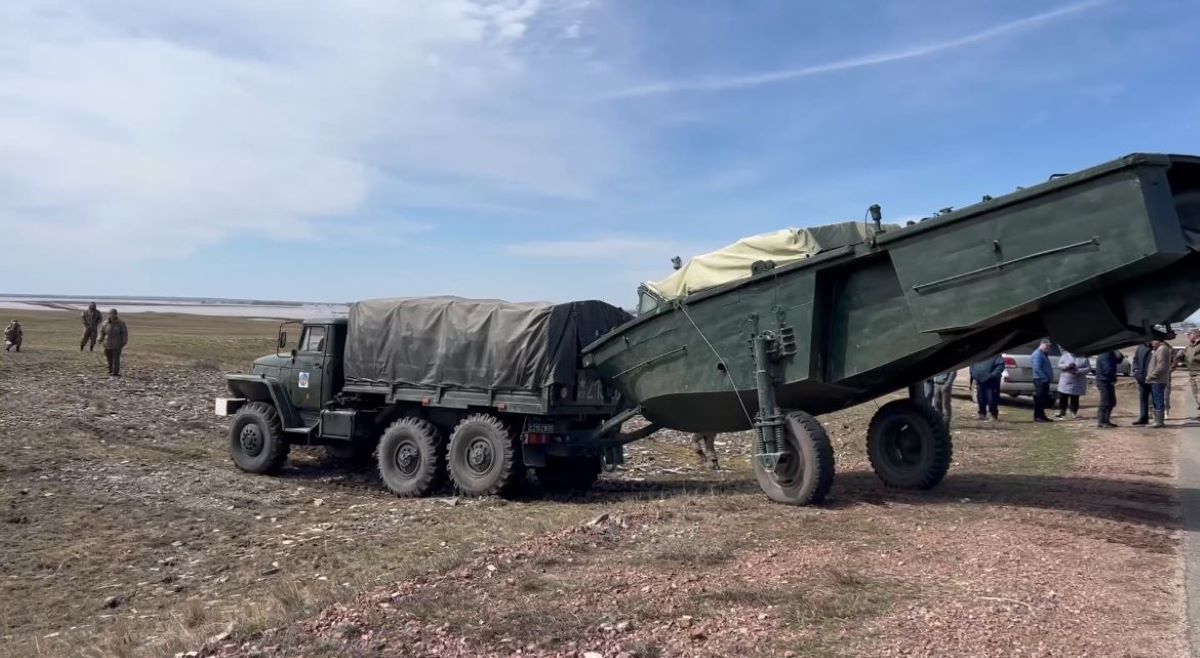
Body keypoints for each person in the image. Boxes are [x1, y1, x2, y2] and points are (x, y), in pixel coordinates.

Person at [1055, 350, 1090, 419]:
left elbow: (1088, 368)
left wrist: (1078, 371)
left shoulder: (1083, 358)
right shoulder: (1065, 356)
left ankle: (1073, 413)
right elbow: (1059, 365)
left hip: (1077, 380)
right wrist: (1067, 366)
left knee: (1075, 398)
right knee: (1063, 397)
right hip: (1065, 380)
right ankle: (1062, 412)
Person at [970, 354, 1005, 421]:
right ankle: (982, 414)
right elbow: (972, 365)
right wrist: (974, 374)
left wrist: (991, 375)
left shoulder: (996, 354)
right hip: (979, 380)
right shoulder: (978, 354)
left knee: (991, 398)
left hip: (992, 381)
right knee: (980, 398)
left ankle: (993, 415)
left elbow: (1000, 366)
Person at [1147, 339, 1173, 428]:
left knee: (1158, 399)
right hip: (1156, 380)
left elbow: (1161, 366)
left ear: (1158, 341)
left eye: (1153, 341)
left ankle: (1159, 421)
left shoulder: (1163, 349)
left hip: (1158, 379)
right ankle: (1157, 420)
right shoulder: (1158, 349)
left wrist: (1151, 376)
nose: (1151, 343)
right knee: (1155, 399)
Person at [1094, 350, 1122, 428]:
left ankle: (1106, 420)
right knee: (1105, 402)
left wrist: (1119, 354)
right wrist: (1113, 378)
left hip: (1108, 381)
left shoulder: (1110, 352)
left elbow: (1118, 360)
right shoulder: (1105, 353)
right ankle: (1101, 422)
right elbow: (1107, 369)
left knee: (1112, 402)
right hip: (1104, 381)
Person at [98, 309, 129, 376]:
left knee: (116, 358)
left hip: (117, 343)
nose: (111, 315)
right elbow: (102, 332)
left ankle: (115, 372)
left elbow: (124, 333)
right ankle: (110, 370)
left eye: (113, 314)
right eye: (110, 314)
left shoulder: (121, 323)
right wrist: (100, 339)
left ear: (116, 314)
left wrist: (124, 341)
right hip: (107, 343)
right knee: (109, 357)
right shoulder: (105, 323)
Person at [1031, 340, 1055, 422]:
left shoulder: (1043, 354)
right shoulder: (1037, 354)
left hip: (1043, 380)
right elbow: (1037, 368)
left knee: (1043, 398)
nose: (1048, 348)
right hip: (1040, 380)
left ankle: (1042, 415)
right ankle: (1037, 416)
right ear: (1041, 344)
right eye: (1047, 346)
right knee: (1040, 398)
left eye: (1049, 346)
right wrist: (1044, 378)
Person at [1132, 342, 1154, 425]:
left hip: (1153, 378)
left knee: (1155, 399)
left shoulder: (1157, 347)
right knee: (1143, 399)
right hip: (1141, 378)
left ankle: (1157, 419)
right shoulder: (1140, 347)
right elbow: (1135, 359)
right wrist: (1135, 371)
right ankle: (1143, 418)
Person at [1186, 330, 1200, 420]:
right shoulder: (1188, 347)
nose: (1187, 336)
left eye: (1189, 334)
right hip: (1192, 373)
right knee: (1195, 394)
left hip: (1199, 373)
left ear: (1196, 335)